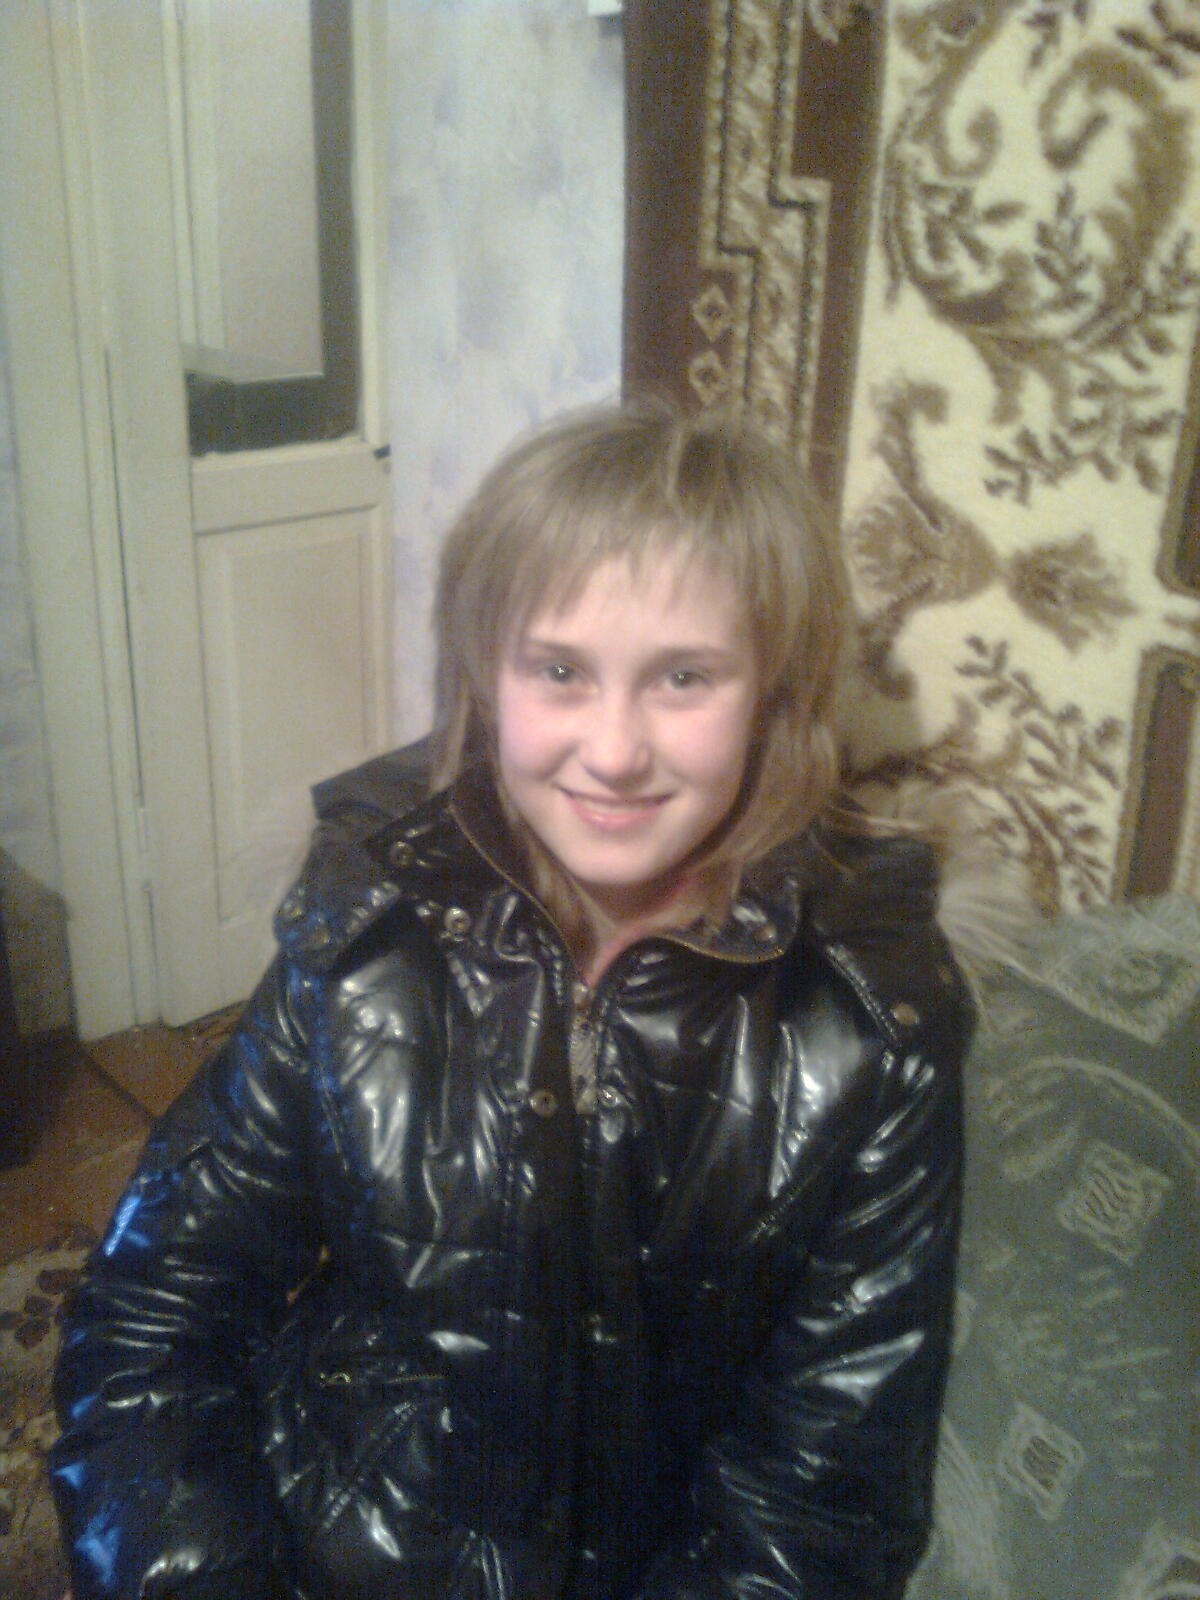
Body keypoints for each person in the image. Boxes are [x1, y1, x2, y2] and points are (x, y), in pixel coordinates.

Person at [51, 405, 973, 1600]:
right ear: (488, 677)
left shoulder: (872, 1023)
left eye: (683, 677)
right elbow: (156, 1307)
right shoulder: (371, 916)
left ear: (773, 690)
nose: (615, 751)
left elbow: (821, 1503)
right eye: (560, 671)